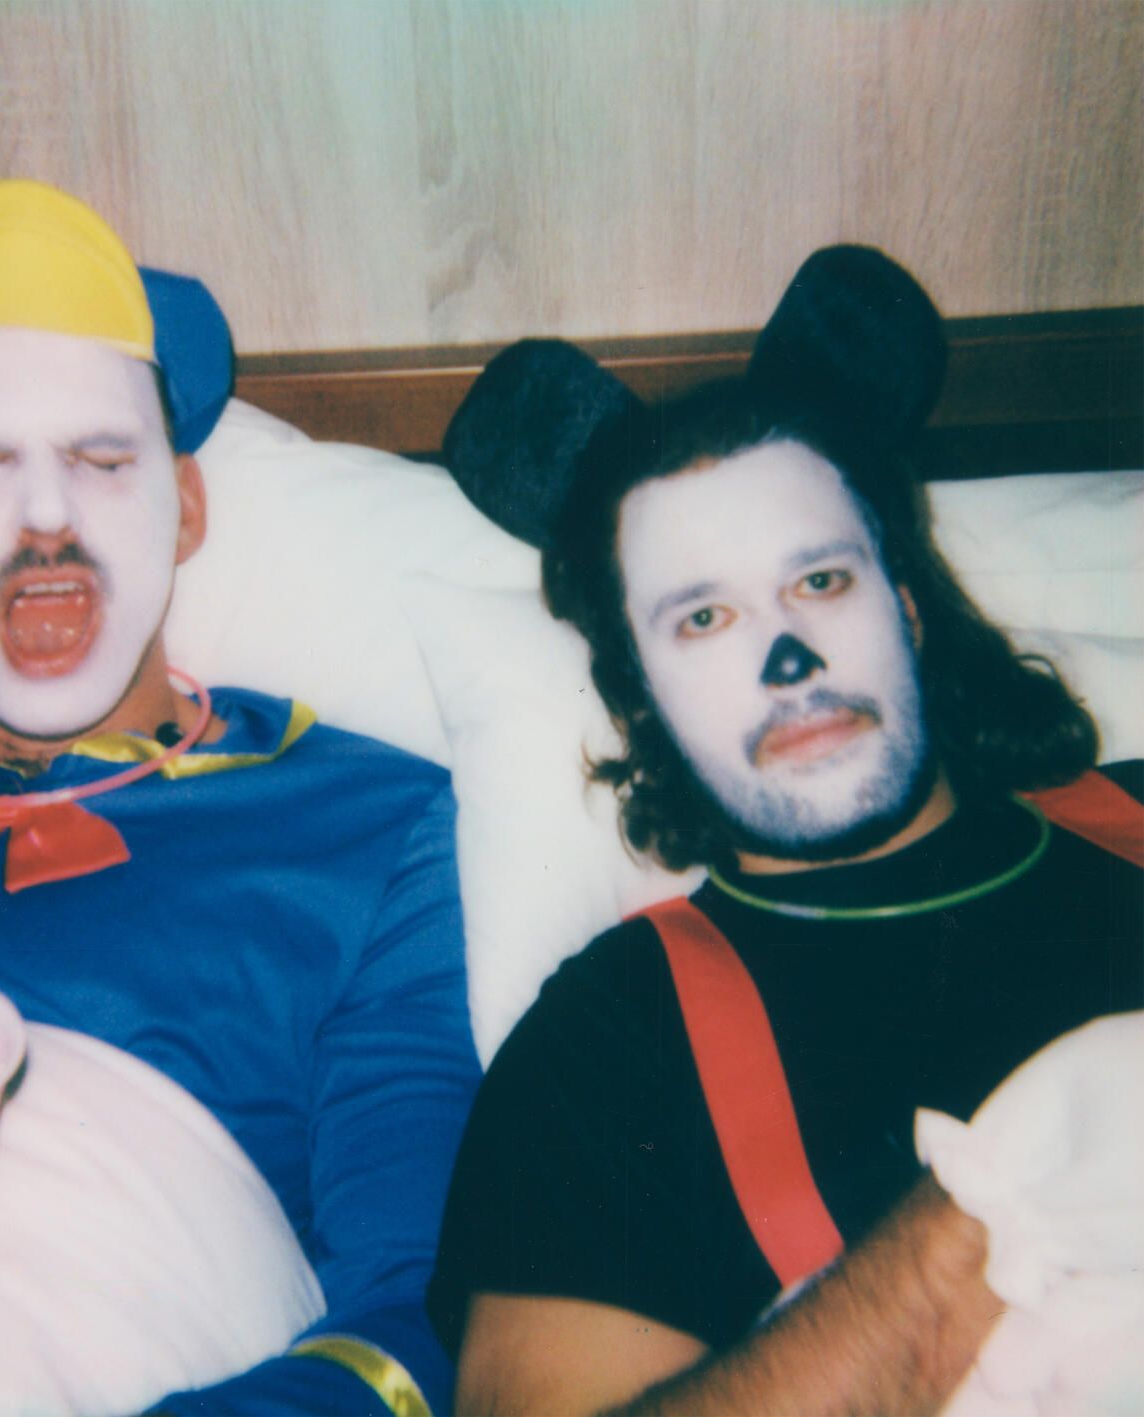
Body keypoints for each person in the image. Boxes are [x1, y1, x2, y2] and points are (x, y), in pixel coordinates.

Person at [0, 178, 482, 1415]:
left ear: (185, 508)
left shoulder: (368, 830)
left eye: (102, 458)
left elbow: (427, 1309)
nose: (45, 515)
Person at [426, 321, 1143, 1412]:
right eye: (704, 617)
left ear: (905, 606)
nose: (788, 658)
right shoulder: (606, 1048)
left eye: (818, 579)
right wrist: (977, 1238)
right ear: (639, 702)